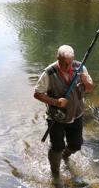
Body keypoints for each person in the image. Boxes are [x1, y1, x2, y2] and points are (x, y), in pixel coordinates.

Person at [33, 45, 94, 176]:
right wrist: (56, 102)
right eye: (64, 63)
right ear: (58, 58)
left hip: (76, 115)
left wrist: (85, 81)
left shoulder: (81, 67)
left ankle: (65, 156)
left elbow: (89, 88)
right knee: (57, 147)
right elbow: (37, 94)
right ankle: (55, 173)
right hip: (56, 117)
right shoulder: (49, 73)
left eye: (70, 63)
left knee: (76, 145)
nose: (68, 67)